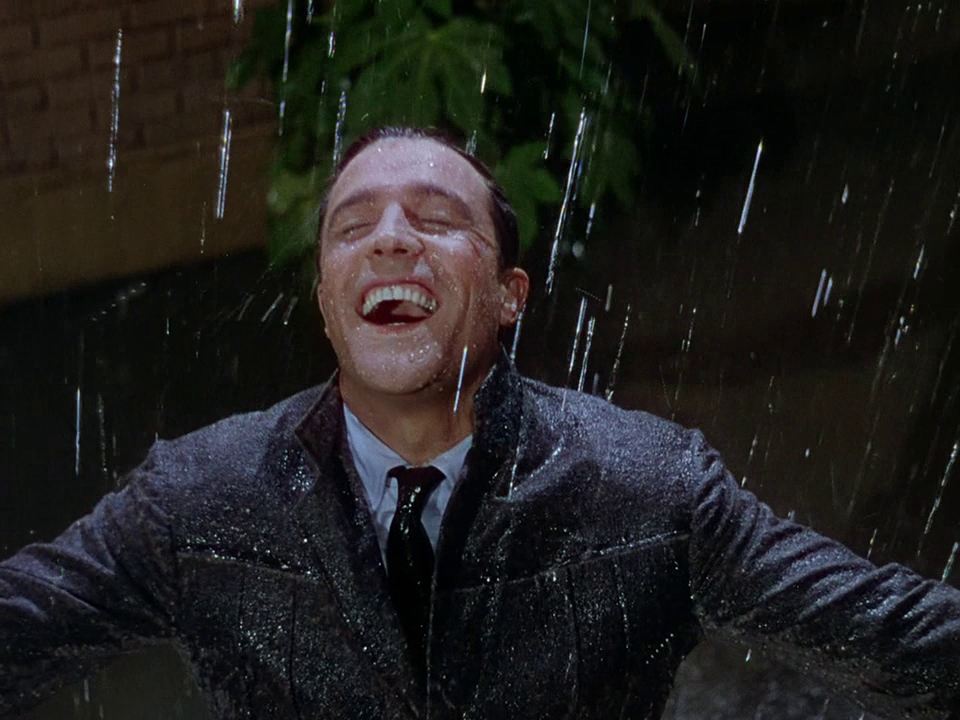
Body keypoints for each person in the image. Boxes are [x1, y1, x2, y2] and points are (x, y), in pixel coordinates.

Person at [1, 126, 958, 720]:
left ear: (509, 296)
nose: (389, 237)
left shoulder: (649, 489)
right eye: (352, 226)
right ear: (327, 303)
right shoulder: (197, 499)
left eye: (435, 217)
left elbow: (893, 630)